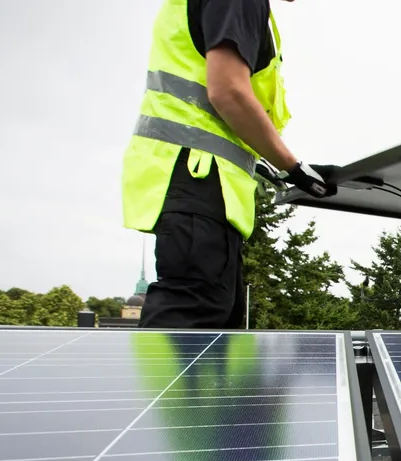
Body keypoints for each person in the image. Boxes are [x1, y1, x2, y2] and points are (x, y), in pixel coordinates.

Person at [121, 0, 338, 329]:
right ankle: (160, 386)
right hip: (200, 179)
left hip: (199, 183)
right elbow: (228, 91)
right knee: (192, 319)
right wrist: (293, 168)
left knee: (218, 325)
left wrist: (265, 160)